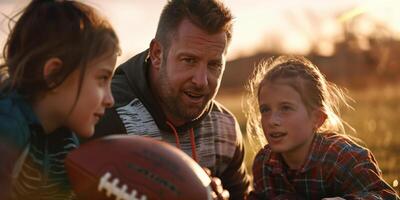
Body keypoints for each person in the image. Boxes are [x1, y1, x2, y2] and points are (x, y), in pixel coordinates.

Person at [93, 0, 250, 199]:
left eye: (214, 65)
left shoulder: (224, 128)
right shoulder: (104, 112)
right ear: (157, 54)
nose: (201, 81)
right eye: (189, 60)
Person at [0, 0, 120, 199]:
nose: (110, 100)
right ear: (54, 75)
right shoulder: (7, 126)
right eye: (102, 79)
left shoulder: (64, 140)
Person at [245, 56, 400, 199]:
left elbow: (385, 196)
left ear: (317, 118)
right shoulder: (265, 163)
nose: (272, 120)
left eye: (285, 108)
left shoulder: (343, 158)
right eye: (265, 110)